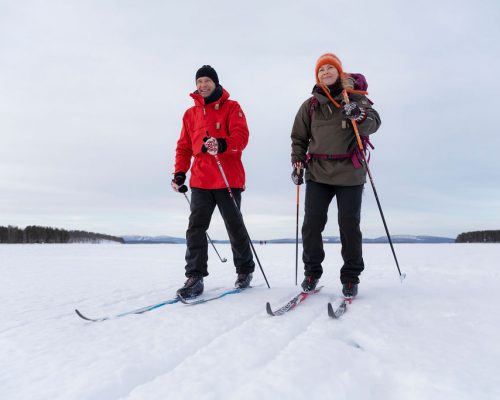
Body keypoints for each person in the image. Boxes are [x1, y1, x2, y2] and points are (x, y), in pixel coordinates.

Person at [290, 53, 381, 297]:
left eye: (330, 68)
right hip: (318, 173)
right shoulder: (309, 106)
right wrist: (297, 162)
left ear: (339, 73)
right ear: (317, 76)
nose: (326, 72)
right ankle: (311, 272)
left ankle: (351, 277)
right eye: (321, 70)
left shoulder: (354, 99)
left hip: (349, 173)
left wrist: (358, 115)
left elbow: (374, 122)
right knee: (312, 225)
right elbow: (299, 138)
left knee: (349, 225)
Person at [171, 65, 255, 298]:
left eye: (207, 81)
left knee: (234, 226)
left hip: (228, 176)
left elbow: (241, 136)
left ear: (216, 83)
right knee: (196, 228)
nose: (203, 85)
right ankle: (195, 277)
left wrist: (222, 144)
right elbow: (184, 146)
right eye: (199, 81)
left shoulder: (232, 107)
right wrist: (179, 173)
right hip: (200, 178)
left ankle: (245, 269)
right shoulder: (190, 114)